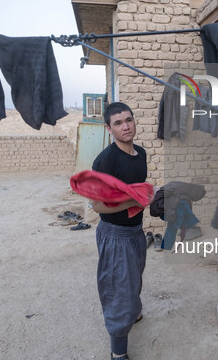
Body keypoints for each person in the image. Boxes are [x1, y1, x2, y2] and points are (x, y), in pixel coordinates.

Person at [90, 102, 148, 360]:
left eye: (128, 120)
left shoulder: (141, 154)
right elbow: (98, 205)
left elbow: (139, 191)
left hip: (135, 232)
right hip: (114, 235)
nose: (125, 126)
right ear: (109, 128)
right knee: (117, 291)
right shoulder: (105, 161)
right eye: (118, 123)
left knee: (133, 280)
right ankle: (118, 353)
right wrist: (135, 200)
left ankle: (133, 312)